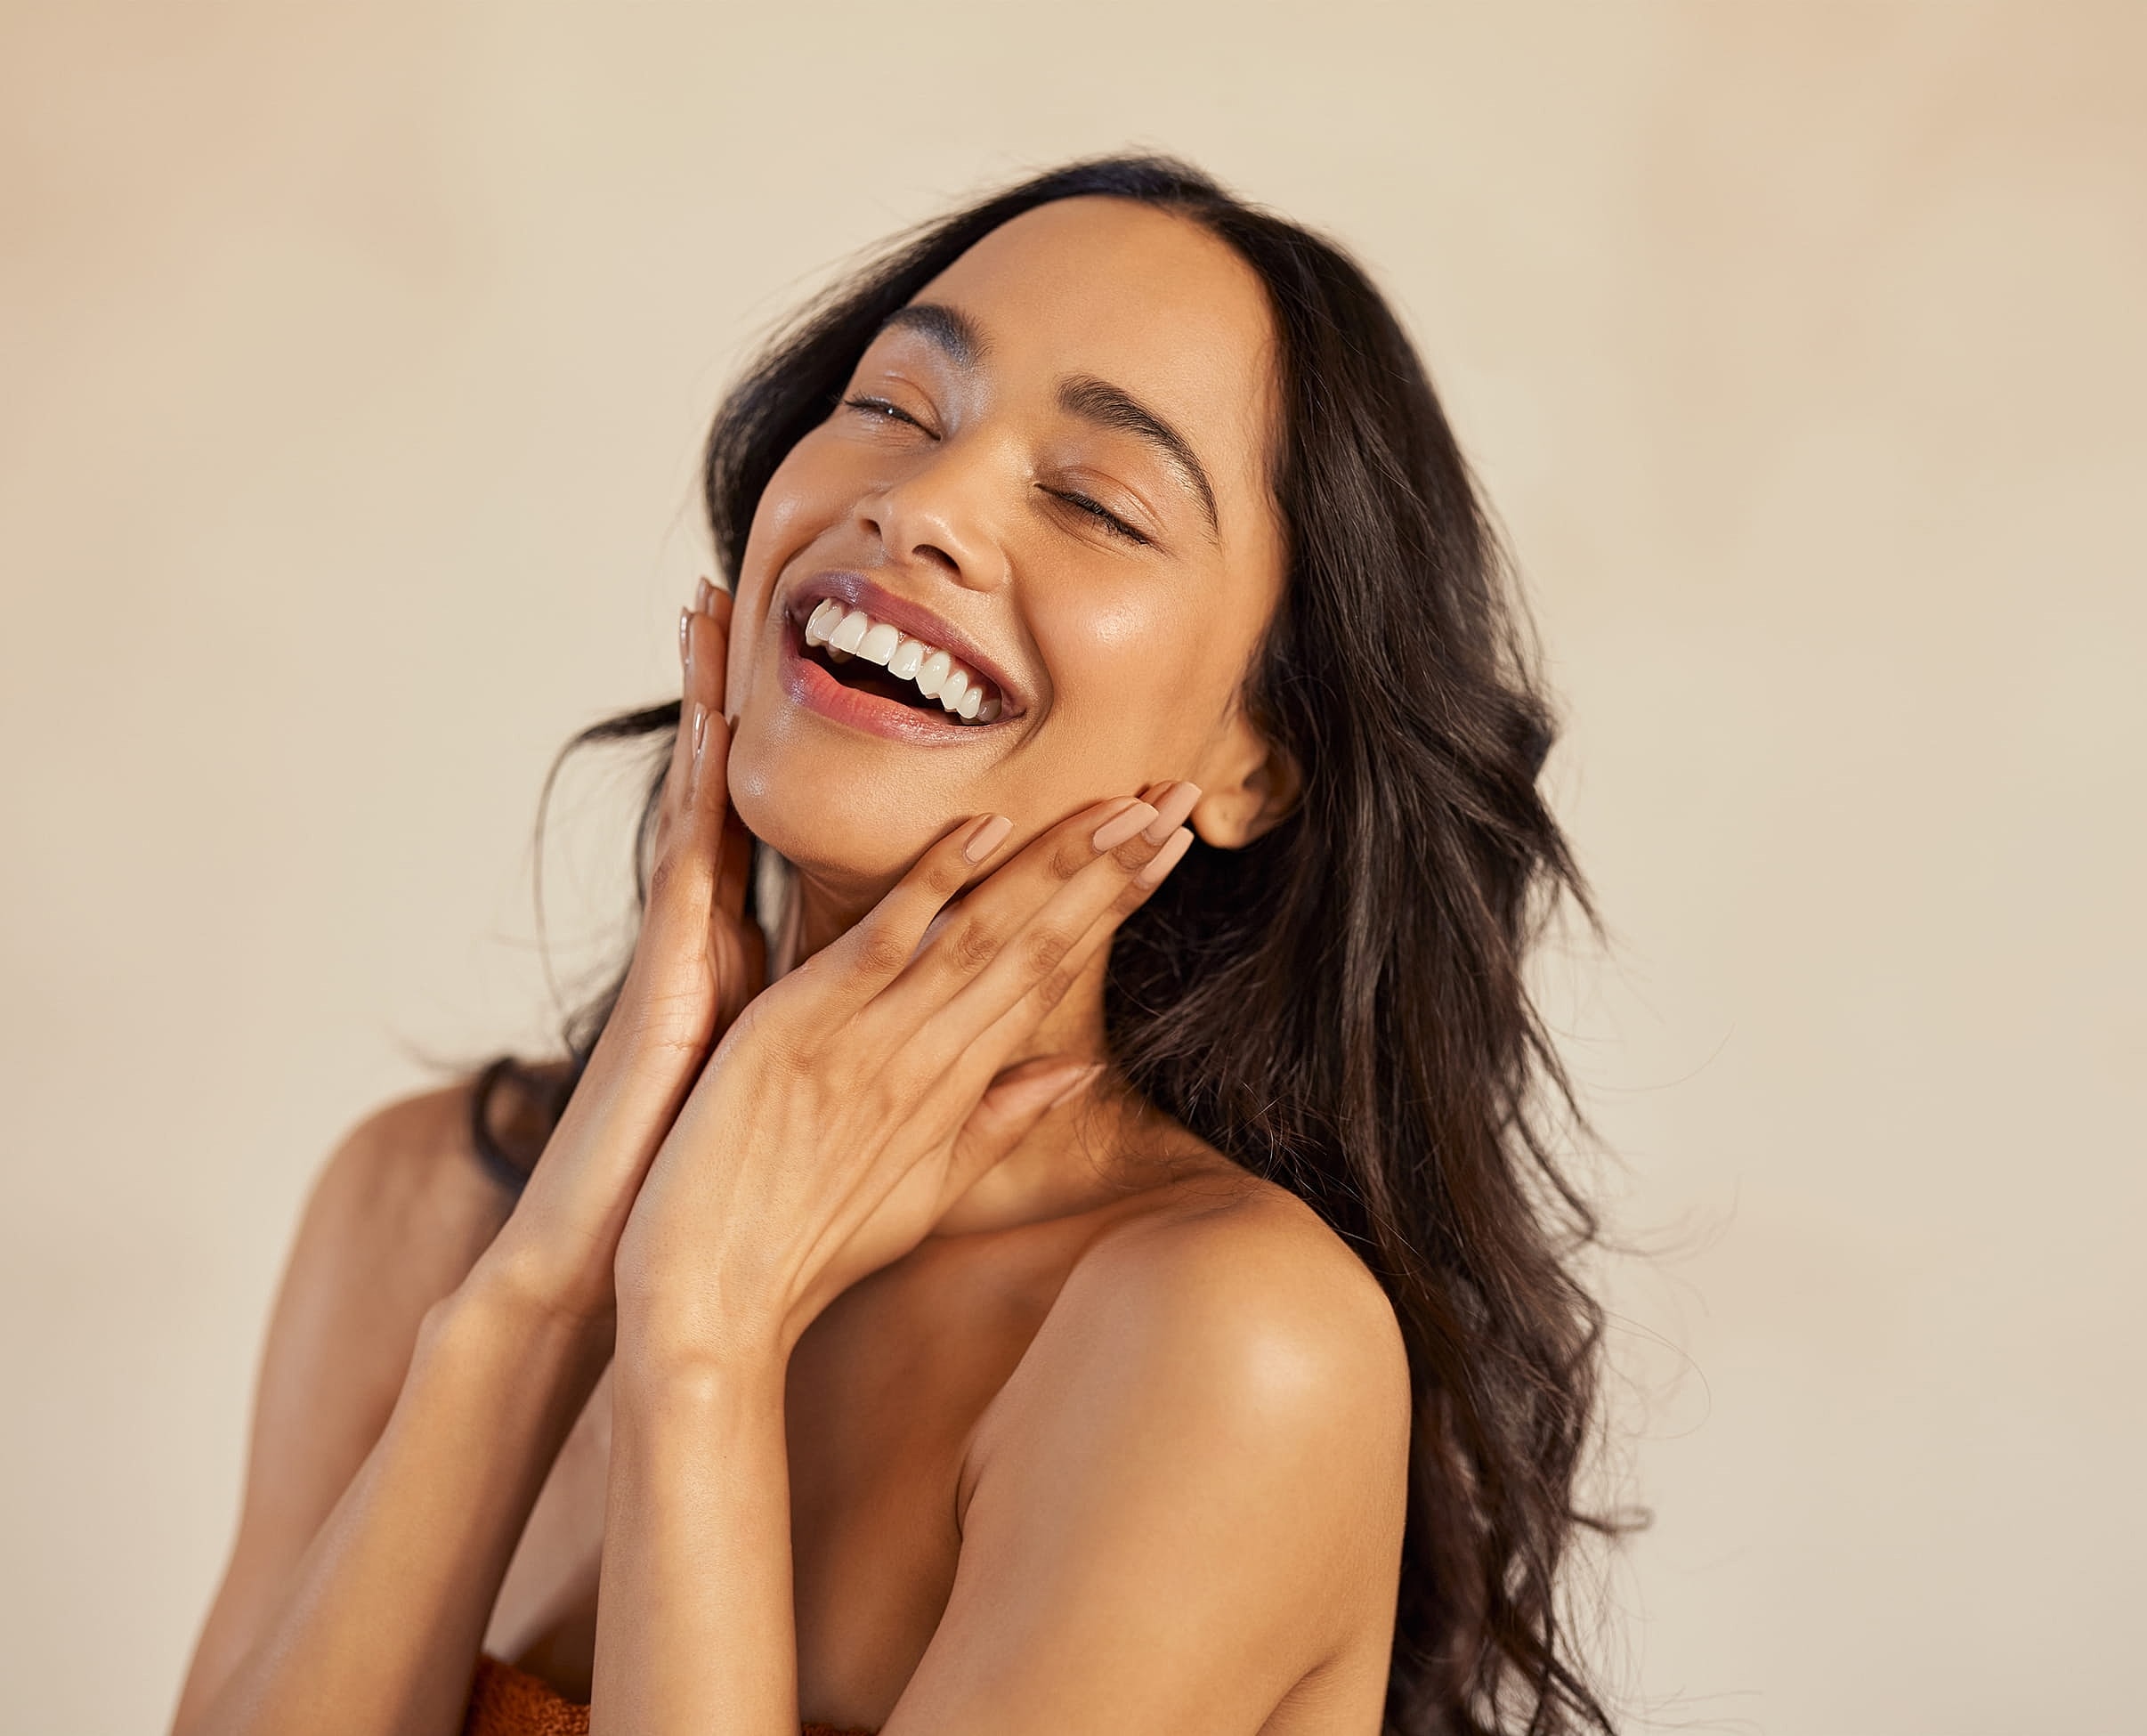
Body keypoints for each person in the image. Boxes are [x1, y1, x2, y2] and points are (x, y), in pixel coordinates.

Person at [168, 155, 1616, 1736]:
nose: (918, 507)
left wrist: (705, 1337)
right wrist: (537, 1299)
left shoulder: (1226, 1342)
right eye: (893, 407)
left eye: (1093, 501)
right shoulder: (424, 1207)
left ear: (1258, 760)